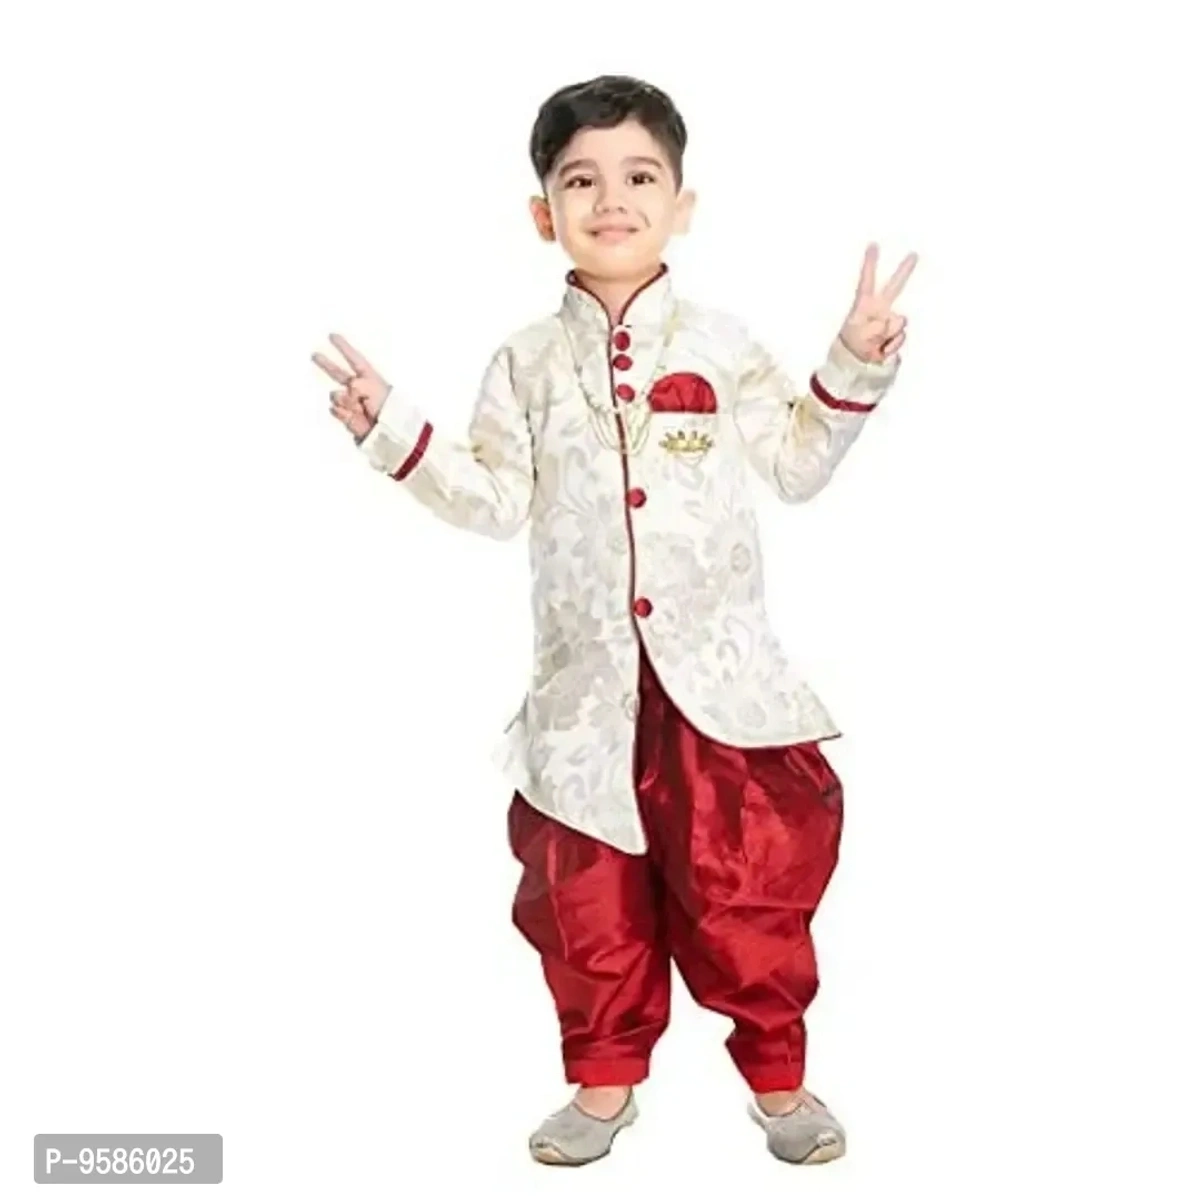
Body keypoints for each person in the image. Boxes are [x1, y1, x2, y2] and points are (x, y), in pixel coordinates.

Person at [312, 74, 916, 1166]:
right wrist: (390, 429)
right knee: (588, 905)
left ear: (682, 203)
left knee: (749, 895)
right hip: (586, 703)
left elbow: (797, 465)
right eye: (580, 181)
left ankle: (780, 1080)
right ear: (543, 213)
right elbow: (494, 500)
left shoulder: (722, 343)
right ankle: (602, 1086)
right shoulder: (524, 362)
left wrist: (855, 360)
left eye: (640, 176)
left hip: (721, 694)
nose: (612, 200)